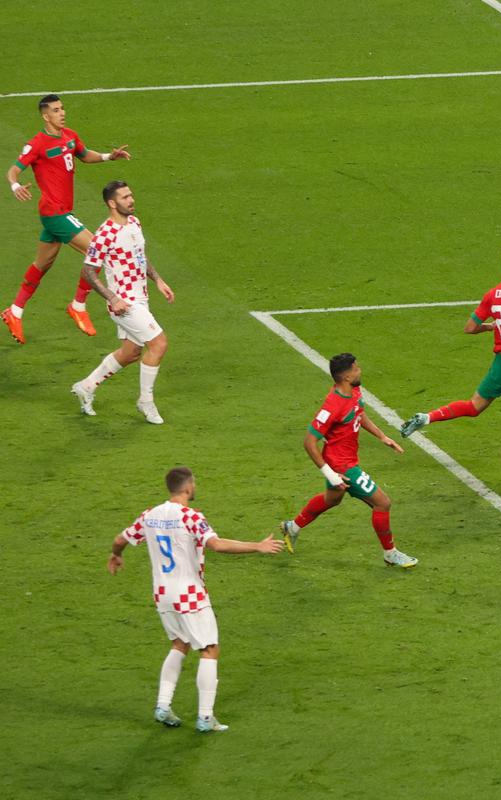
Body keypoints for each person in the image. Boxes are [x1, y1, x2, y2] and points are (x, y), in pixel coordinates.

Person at [107, 466, 283, 732]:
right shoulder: (191, 517)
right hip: (189, 593)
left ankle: (163, 707)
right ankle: (205, 717)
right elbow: (216, 544)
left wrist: (116, 555)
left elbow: (120, 539)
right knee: (209, 649)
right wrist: (257, 546)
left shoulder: (150, 515)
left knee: (179, 644)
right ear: (188, 487)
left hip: (162, 594)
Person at [398, 242, 501, 474]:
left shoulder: (492, 294)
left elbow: (470, 327)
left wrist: (490, 328)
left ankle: (427, 417)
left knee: (474, 406)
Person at [3, 94, 131, 344]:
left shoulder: (70, 136)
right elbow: (14, 169)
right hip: (55, 213)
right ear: (45, 115)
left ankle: (14, 311)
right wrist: (15, 185)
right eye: (56, 110)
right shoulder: (37, 143)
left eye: (62, 109)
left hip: (62, 212)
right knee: (98, 249)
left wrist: (108, 156)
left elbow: (84, 155)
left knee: (42, 264)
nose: (62, 113)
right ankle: (78, 305)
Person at [280, 352, 418, 568]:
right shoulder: (332, 406)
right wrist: (331, 474)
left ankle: (292, 527)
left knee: (332, 499)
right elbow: (309, 442)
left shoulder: (353, 390)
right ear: (345, 376)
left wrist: (382, 436)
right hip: (341, 466)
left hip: (347, 459)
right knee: (382, 503)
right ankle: (390, 553)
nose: (359, 370)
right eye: (355, 368)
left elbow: (359, 413)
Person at [71, 181, 174, 424]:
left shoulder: (134, 223)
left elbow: (139, 256)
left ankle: (86, 386)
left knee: (130, 353)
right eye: (125, 197)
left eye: (131, 195)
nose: (131, 200)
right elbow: (89, 272)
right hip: (124, 303)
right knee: (159, 344)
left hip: (141, 297)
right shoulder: (104, 235)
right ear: (112, 203)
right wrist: (112, 298)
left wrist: (158, 280)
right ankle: (145, 401)